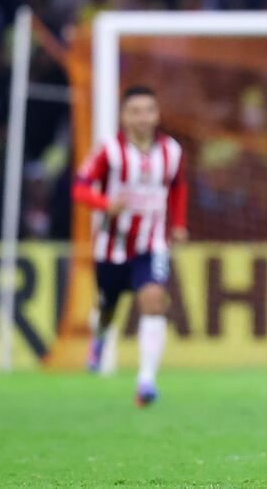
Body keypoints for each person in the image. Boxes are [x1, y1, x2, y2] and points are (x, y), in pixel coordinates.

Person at [73, 85, 188, 406]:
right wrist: (104, 203)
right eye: (134, 111)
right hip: (112, 246)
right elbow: (79, 188)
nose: (142, 117)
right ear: (123, 116)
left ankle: (146, 381)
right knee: (108, 308)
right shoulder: (108, 151)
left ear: (157, 115)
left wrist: (178, 224)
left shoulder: (172, 151)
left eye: (148, 110)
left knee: (153, 299)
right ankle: (99, 338)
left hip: (152, 244)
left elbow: (178, 188)